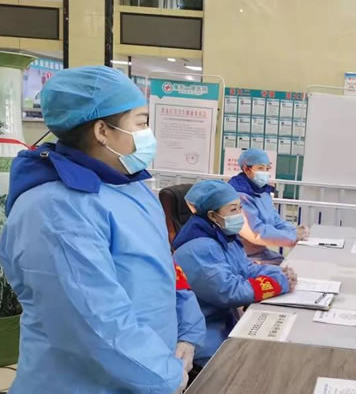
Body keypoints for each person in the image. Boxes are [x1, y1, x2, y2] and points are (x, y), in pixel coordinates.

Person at [0, 66, 205, 393]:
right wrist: (165, 375)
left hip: (145, 372)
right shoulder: (56, 209)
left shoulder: (131, 188)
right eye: (141, 122)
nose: (148, 134)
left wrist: (187, 333)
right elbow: (93, 322)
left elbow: (164, 270)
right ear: (102, 131)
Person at [173, 180, 296, 366]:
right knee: (260, 362)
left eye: (240, 208)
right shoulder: (198, 249)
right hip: (205, 334)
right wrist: (278, 283)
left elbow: (245, 269)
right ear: (213, 215)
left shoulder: (224, 237)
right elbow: (229, 291)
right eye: (232, 210)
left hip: (227, 322)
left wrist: (279, 273)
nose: (239, 215)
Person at [228, 148, 309, 265]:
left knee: (290, 265)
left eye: (267, 168)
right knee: (285, 271)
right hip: (243, 257)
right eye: (260, 168)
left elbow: (276, 220)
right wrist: (292, 238)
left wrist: (295, 231)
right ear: (246, 169)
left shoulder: (262, 192)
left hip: (260, 253)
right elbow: (255, 233)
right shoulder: (239, 196)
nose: (265, 173)